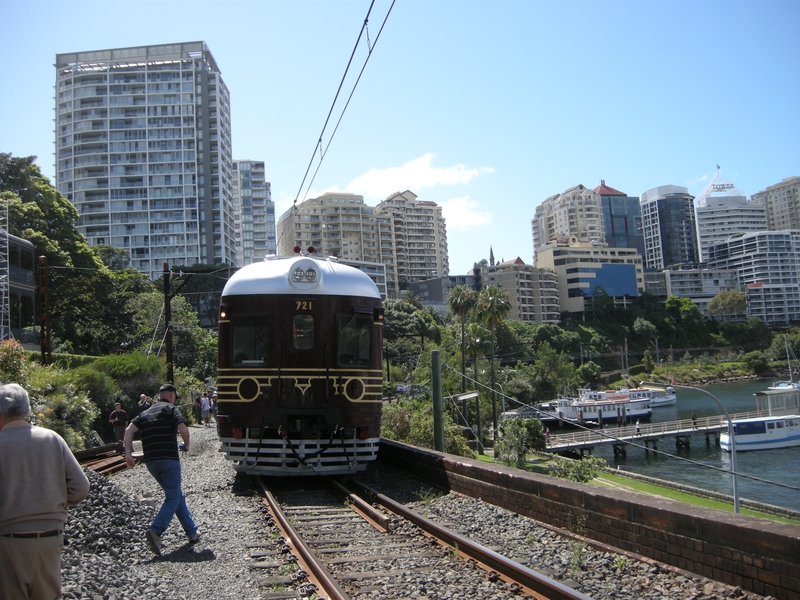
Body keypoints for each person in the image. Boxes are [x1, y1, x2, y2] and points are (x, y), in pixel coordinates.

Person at [0, 382, 90, 600]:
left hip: (7, 541)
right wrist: (53, 504)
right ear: (27, 409)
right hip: (50, 537)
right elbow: (81, 486)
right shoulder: (52, 438)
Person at [124, 383, 199, 556]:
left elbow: (129, 431)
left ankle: (192, 532)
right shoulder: (171, 410)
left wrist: (128, 453)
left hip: (151, 462)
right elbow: (183, 429)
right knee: (172, 496)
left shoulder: (145, 412)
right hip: (169, 459)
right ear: (171, 395)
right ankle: (155, 531)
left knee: (175, 494)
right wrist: (187, 445)